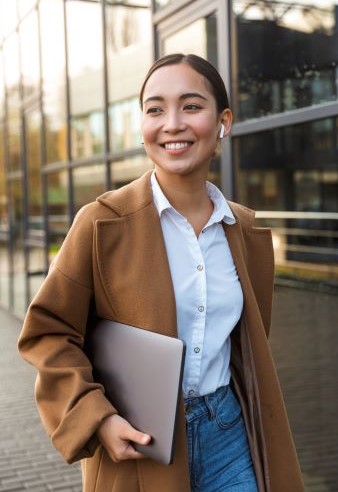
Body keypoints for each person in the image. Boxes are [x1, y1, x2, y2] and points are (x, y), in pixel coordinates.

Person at [18, 53, 304, 492]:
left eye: (191, 106)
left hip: (228, 433)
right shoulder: (101, 223)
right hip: (140, 443)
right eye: (155, 109)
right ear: (142, 125)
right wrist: (97, 417)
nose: (172, 123)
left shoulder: (242, 230)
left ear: (223, 121)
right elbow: (48, 332)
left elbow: (245, 345)